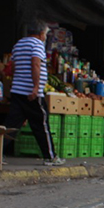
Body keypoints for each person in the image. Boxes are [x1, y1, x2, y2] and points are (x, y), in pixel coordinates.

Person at [5, 20, 63, 166]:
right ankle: (50, 156)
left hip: (17, 91)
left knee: (11, 125)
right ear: (41, 33)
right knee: (41, 124)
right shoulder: (37, 44)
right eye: (45, 34)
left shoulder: (18, 44)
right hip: (31, 93)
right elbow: (35, 63)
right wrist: (36, 88)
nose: (45, 37)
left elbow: (12, 67)